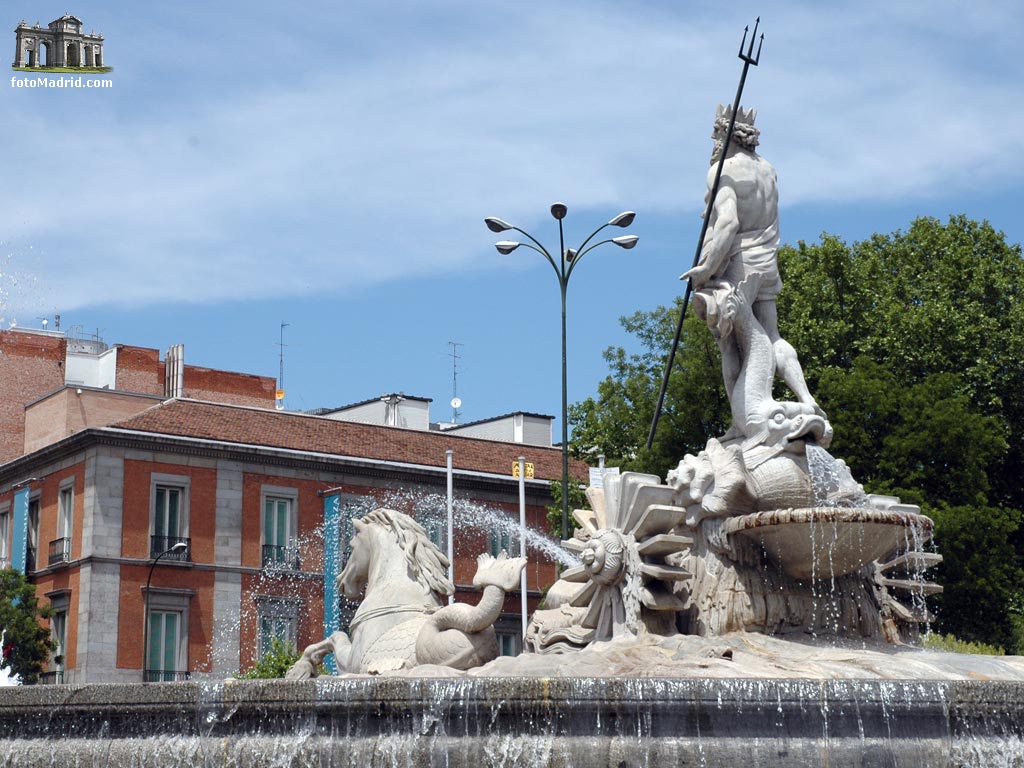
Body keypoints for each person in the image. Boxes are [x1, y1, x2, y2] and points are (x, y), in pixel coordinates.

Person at [682, 105, 821, 440]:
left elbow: (728, 223)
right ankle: (807, 399)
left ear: (723, 135)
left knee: (729, 345)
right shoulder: (768, 170)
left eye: (715, 135)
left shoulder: (722, 171)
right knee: (771, 336)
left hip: (737, 264)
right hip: (768, 260)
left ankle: (740, 425)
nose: (713, 142)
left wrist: (706, 268)